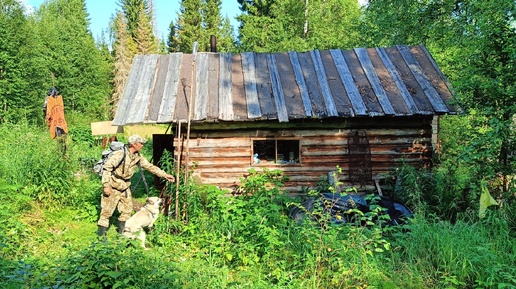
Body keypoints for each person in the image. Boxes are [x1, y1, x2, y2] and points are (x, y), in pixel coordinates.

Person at [97, 134, 175, 239]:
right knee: (107, 211)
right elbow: (107, 168)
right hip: (113, 185)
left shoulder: (138, 156)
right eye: (140, 143)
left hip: (125, 187)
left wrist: (164, 175)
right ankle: (101, 237)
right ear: (134, 144)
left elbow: (149, 167)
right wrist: (106, 185)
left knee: (127, 210)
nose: (142, 145)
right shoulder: (120, 154)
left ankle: (123, 234)